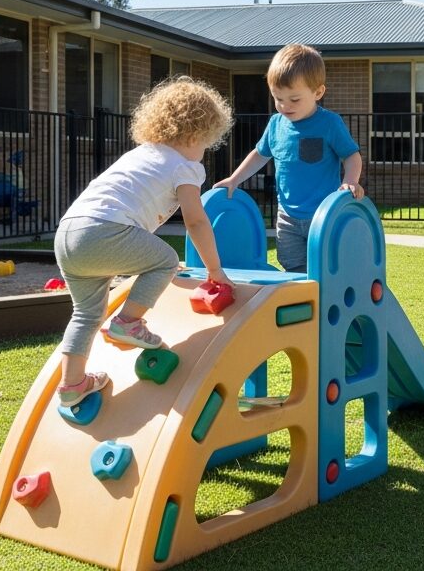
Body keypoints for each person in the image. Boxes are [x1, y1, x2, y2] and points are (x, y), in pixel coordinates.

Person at [54, 78, 235, 408]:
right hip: (103, 231)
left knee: (85, 314)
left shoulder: (142, 154)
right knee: (166, 260)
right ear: (195, 135)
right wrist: (214, 269)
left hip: (68, 234)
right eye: (206, 143)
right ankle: (129, 322)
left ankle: (72, 383)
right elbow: (195, 220)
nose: (204, 151)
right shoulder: (186, 166)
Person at [214, 43, 363, 273]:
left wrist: (351, 180)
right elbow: (259, 155)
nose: (284, 106)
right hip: (287, 217)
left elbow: (351, 155)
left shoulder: (329, 124)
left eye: (294, 99)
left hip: (322, 215)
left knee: (324, 267)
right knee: (292, 267)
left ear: (318, 92)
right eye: (278, 98)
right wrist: (234, 179)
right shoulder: (275, 124)